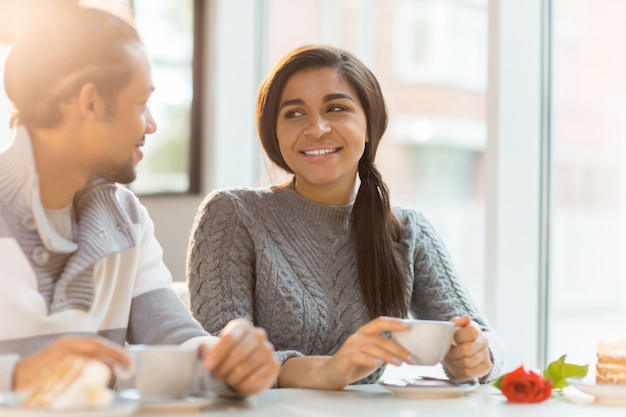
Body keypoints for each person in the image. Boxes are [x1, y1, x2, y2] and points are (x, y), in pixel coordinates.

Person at [186, 44, 506, 390]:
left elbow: (486, 339)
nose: (317, 128)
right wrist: (327, 371)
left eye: (336, 108)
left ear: (369, 125)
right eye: (294, 114)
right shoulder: (233, 215)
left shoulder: (406, 230)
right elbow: (218, 360)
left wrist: (476, 355)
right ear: (273, 133)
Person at [0, 4, 278, 397]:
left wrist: (229, 361)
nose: (151, 124)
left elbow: (173, 336)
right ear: (91, 103)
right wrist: (16, 377)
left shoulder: (126, 219)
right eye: (140, 103)